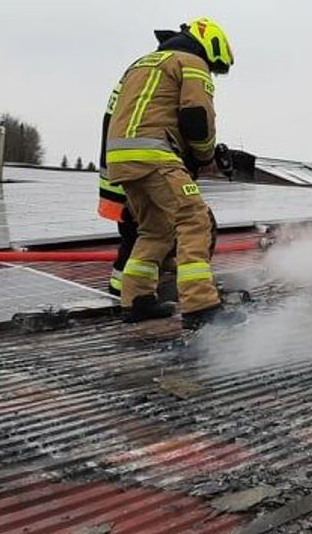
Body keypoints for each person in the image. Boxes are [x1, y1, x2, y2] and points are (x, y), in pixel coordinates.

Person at [103, 17, 244, 326]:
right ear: (212, 47)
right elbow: (197, 117)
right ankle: (201, 307)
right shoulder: (192, 62)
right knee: (194, 218)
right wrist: (204, 155)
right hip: (154, 154)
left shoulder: (143, 63)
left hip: (120, 157)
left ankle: (137, 300)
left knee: (155, 229)